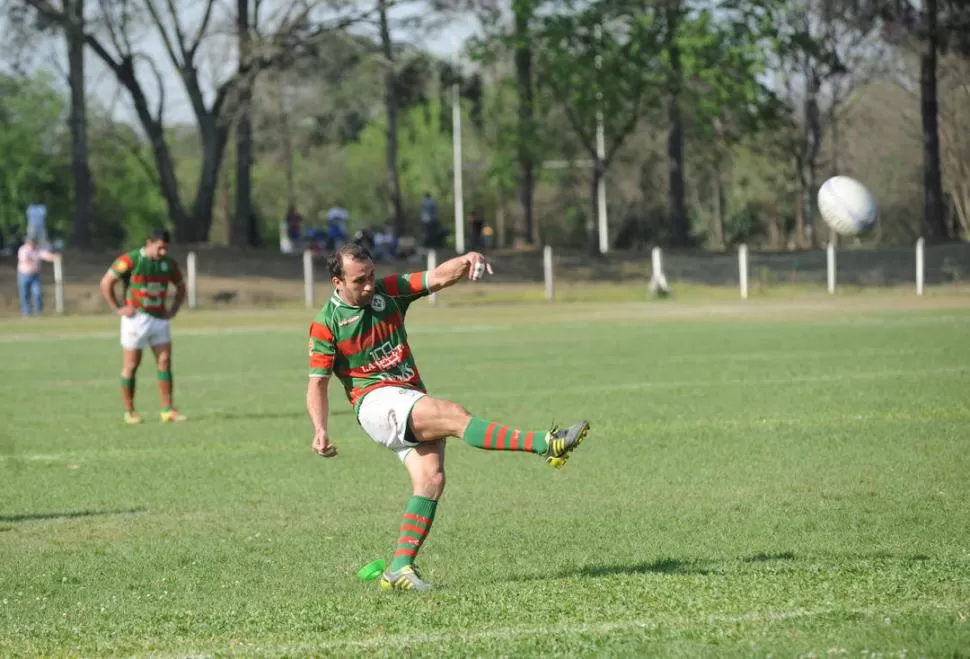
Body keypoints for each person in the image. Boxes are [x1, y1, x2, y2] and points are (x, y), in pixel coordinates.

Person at [305, 243, 591, 592]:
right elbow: (317, 384)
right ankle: (546, 444)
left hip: (408, 394)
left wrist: (468, 259)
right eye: (359, 280)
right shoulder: (326, 324)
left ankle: (399, 569)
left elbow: (437, 277)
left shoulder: (388, 291)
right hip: (375, 403)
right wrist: (320, 429)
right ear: (338, 282)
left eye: (371, 276)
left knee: (431, 480)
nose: (368, 285)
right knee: (455, 415)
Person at [99, 228, 187, 425]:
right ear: (149, 243)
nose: (163, 252)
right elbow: (106, 282)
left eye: (166, 249)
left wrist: (173, 310)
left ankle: (167, 410)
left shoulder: (168, 264)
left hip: (159, 319)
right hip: (136, 319)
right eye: (160, 248)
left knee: (164, 361)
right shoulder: (131, 260)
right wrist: (118, 308)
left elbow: (181, 287)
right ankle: (130, 411)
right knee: (131, 365)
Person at [16, 238, 59, 317]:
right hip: (24, 275)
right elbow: (25, 260)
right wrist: (34, 261)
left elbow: (45, 255)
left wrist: (54, 257)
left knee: (37, 293)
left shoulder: (38, 250)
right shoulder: (23, 250)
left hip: (35, 275)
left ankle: (38, 312)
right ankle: (26, 313)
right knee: (25, 294)